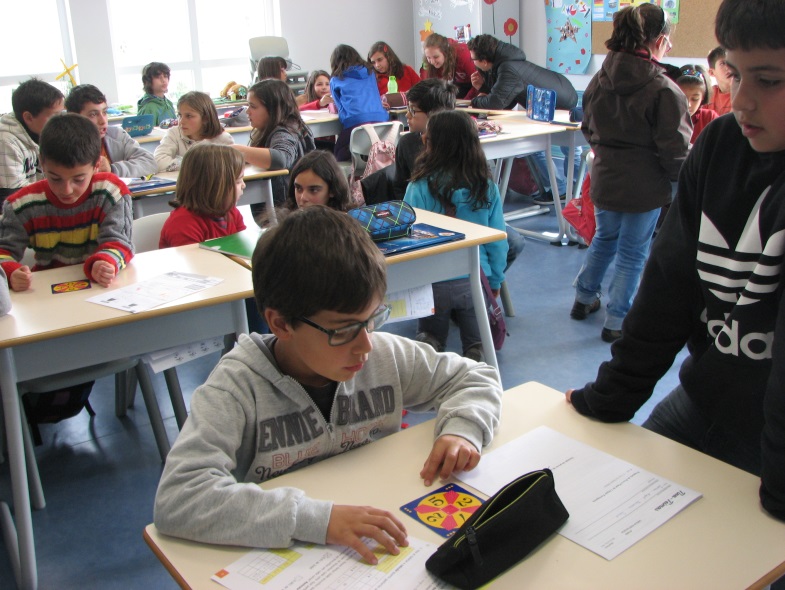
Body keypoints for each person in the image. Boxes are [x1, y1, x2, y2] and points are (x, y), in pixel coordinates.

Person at [153, 205, 502, 563]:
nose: (365, 344)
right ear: (281, 324)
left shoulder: (383, 355)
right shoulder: (237, 388)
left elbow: (475, 377)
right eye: (344, 329)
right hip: (289, 558)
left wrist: (462, 430)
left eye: (372, 319)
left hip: (380, 529)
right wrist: (317, 520)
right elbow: (179, 497)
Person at [566, 0, 785, 527]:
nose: (741, 100)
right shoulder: (720, 146)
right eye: (735, 74)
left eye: (769, 80)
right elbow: (668, 286)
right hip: (707, 397)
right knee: (611, 512)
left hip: (775, 437)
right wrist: (613, 396)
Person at [569, 4, 691, 343]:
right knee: (633, 252)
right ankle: (616, 320)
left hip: (605, 178)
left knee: (604, 239)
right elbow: (675, 152)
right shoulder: (664, 89)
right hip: (645, 187)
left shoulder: (599, 79)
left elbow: (588, 128)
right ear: (660, 41)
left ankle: (583, 298)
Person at [404, 110, 508, 362]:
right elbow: (497, 243)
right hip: (474, 279)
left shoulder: (418, 187)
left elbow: (407, 238)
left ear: (432, 144)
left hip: (432, 281)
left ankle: (429, 364)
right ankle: (475, 365)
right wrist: (495, 280)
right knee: (477, 343)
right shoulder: (486, 188)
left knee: (429, 340)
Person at [0, 113, 133, 291]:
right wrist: (10, 271)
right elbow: (3, 251)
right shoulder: (20, 205)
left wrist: (106, 262)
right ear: (42, 163)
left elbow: (121, 243)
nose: (66, 190)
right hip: (47, 291)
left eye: (78, 179)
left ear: (96, 166)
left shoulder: (111, 192)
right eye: (55, 178)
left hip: (100, 287)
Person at [466, 34, 581, 205]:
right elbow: (505, 99)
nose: (473, 63)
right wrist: (483, 89)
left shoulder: (508, 68)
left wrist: (475, 101)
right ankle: (562, 190)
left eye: (473, 59)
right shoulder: (505, 64)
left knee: (568, 147)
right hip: (551, 102)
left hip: (562, 104)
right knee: (541, 147)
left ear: (483, 61)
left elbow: (496, 102)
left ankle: (573, 192)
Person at [232, 79, 315, 217]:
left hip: (287, 212)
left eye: (253, 106)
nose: (247, 111)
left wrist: (235, 149)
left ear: (273, 109)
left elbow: (280, 159)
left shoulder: (285, 131)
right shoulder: (276, 128)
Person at [158, 144, 246, 248]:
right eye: (238, 181)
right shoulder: (183, 224)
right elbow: (193, 258)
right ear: (213, 186)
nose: (244, 185)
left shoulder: (232, 212)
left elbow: (243, 248)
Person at [65, 84, 157, 178]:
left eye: (104, 112)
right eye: (93, 114)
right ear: (74, 118)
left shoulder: (117, 135)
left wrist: (112, 169)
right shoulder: (64, 146)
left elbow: (150, 162)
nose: (103, 121)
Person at [0, 78, 64, 204]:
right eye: (54, 116)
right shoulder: (5, 141)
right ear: (29, 117)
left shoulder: (44, 130)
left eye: (62, 114)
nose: (60, 121)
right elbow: (12, 196)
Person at [329, 44, 389, 162]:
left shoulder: (335, 80)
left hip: (355, 122)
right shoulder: (370, 74)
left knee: (338, 154)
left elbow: (339, 106)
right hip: (382, 121)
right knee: (366, 146)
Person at [154, 91, 234, 172]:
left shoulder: (223, 139)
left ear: (205, 118)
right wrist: (192, 164)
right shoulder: (174, 133)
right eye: (180, 115)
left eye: (189, 116)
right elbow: (158, 161)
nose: (181, 122)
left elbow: (231, 167)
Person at [282, 150, 353, 212]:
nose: (303, 198)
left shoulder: (349, 221)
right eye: (298, 188)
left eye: (313, 190)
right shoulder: (285, 219)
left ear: (332, 191)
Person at [422, 33, 477, 99]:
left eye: (436, 57)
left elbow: (478, 83)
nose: (432, 61)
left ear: (445, 53)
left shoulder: (464, 56)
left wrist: (464, 102)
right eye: (428, 57)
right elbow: (430, 88)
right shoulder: (429, 65)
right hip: (456, 86)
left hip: (474, 84)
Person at [675, 65, 719, 144]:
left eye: (695, 99)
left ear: (703, 97)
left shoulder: (709, 118)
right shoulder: (663, 117)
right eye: (683, 98)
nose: (688, 104)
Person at [706, 46, 733, 116]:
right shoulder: (708, 95)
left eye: (733, 62)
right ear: (712, 72)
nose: (729, 67)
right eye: (723, 63)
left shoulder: (746, 95)